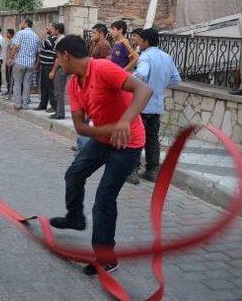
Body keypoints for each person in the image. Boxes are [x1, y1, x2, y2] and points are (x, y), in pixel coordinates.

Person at [49, 35, 152, 276]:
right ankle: (75, 218)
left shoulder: (103, 68)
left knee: (104, 199)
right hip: (102, 140)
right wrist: (109, 129)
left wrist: (124, 122)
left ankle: (107, 258)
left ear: (66, 55)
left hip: (128, 144)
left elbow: (144, 90)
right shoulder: (74, 84)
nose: (58, 63)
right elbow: (80, 128)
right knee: (74, 174)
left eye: (58, 58)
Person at [129, 28, 181, 184]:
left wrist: (128, 79)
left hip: (142, 105)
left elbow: (142, 74)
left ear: (146, 41)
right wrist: (160, 84)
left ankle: (133, 171)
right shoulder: (167, 57)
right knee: (152, 139)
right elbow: (176, 79)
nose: (137, 43)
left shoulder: (145, 57)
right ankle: (152, 171)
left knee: (137, 137)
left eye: (139, 40)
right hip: (157, 105)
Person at [9, 18, 39, 110]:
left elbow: (15, 47)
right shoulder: (35, 36)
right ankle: (25, 104)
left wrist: (11, 58)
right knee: (27, 84)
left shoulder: (20, 33)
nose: (21, 24)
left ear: (26, 24)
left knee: (17, 83)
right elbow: (37, 51)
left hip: (20, 62)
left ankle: (17, 104)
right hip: (30, 63)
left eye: (22, 22)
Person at [35, 24, 57, 112]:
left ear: (54, 29)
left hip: (49, 65)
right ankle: (43, 104)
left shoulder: (54, 38)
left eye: (49, 28)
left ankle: (53, 105)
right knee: (43, 86)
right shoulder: (49, 38)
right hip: (44, 65)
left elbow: (44, 43)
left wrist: (45, 34)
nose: (47, 29)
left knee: (50, 87)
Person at [48, 23, 67, 120]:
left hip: (61, 68)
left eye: (53, 29)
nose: (52, 30)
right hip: (62, 67)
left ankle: (60, 113)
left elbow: (58, 58)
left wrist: (53, 71)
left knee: (58, 91)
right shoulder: (61, 39)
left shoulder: (61, 40)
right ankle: (59, 112)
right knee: (58, 90)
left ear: (58, 30)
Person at [3, 29, 15, 97]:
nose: (6, 34)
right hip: (8, 61)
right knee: (8, 76)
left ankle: (10, 91)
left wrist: (9, 60)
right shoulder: (10, 41)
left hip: (10, 62)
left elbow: (11, 51)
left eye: (7, 33)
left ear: (10, 34)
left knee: (9, 76)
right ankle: (9, 90)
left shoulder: (12, 41)